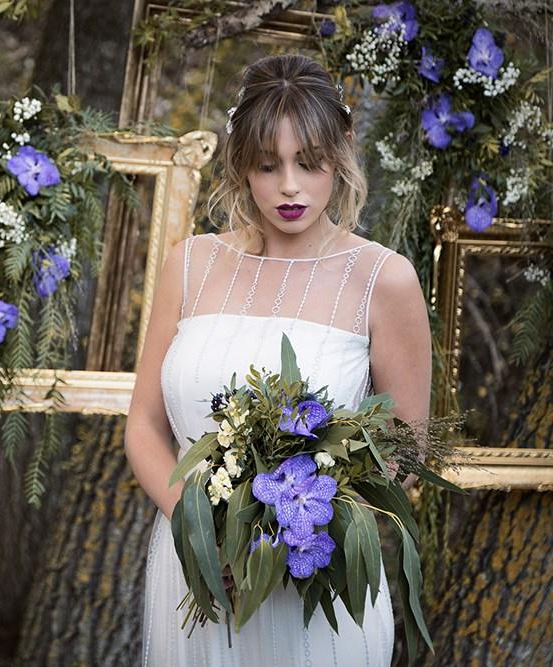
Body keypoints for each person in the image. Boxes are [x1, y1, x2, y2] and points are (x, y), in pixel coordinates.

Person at [124, 53, 431, 666]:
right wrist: (206, 535)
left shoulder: (383, 279)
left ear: (342, 148)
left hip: (315, 586)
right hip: (197, 573)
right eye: (268, 166)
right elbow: (144, 427)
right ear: (242, 164)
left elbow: (406, 446)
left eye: (309, 163)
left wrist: (303, 536)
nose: (290, 186)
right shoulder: (189, 263)